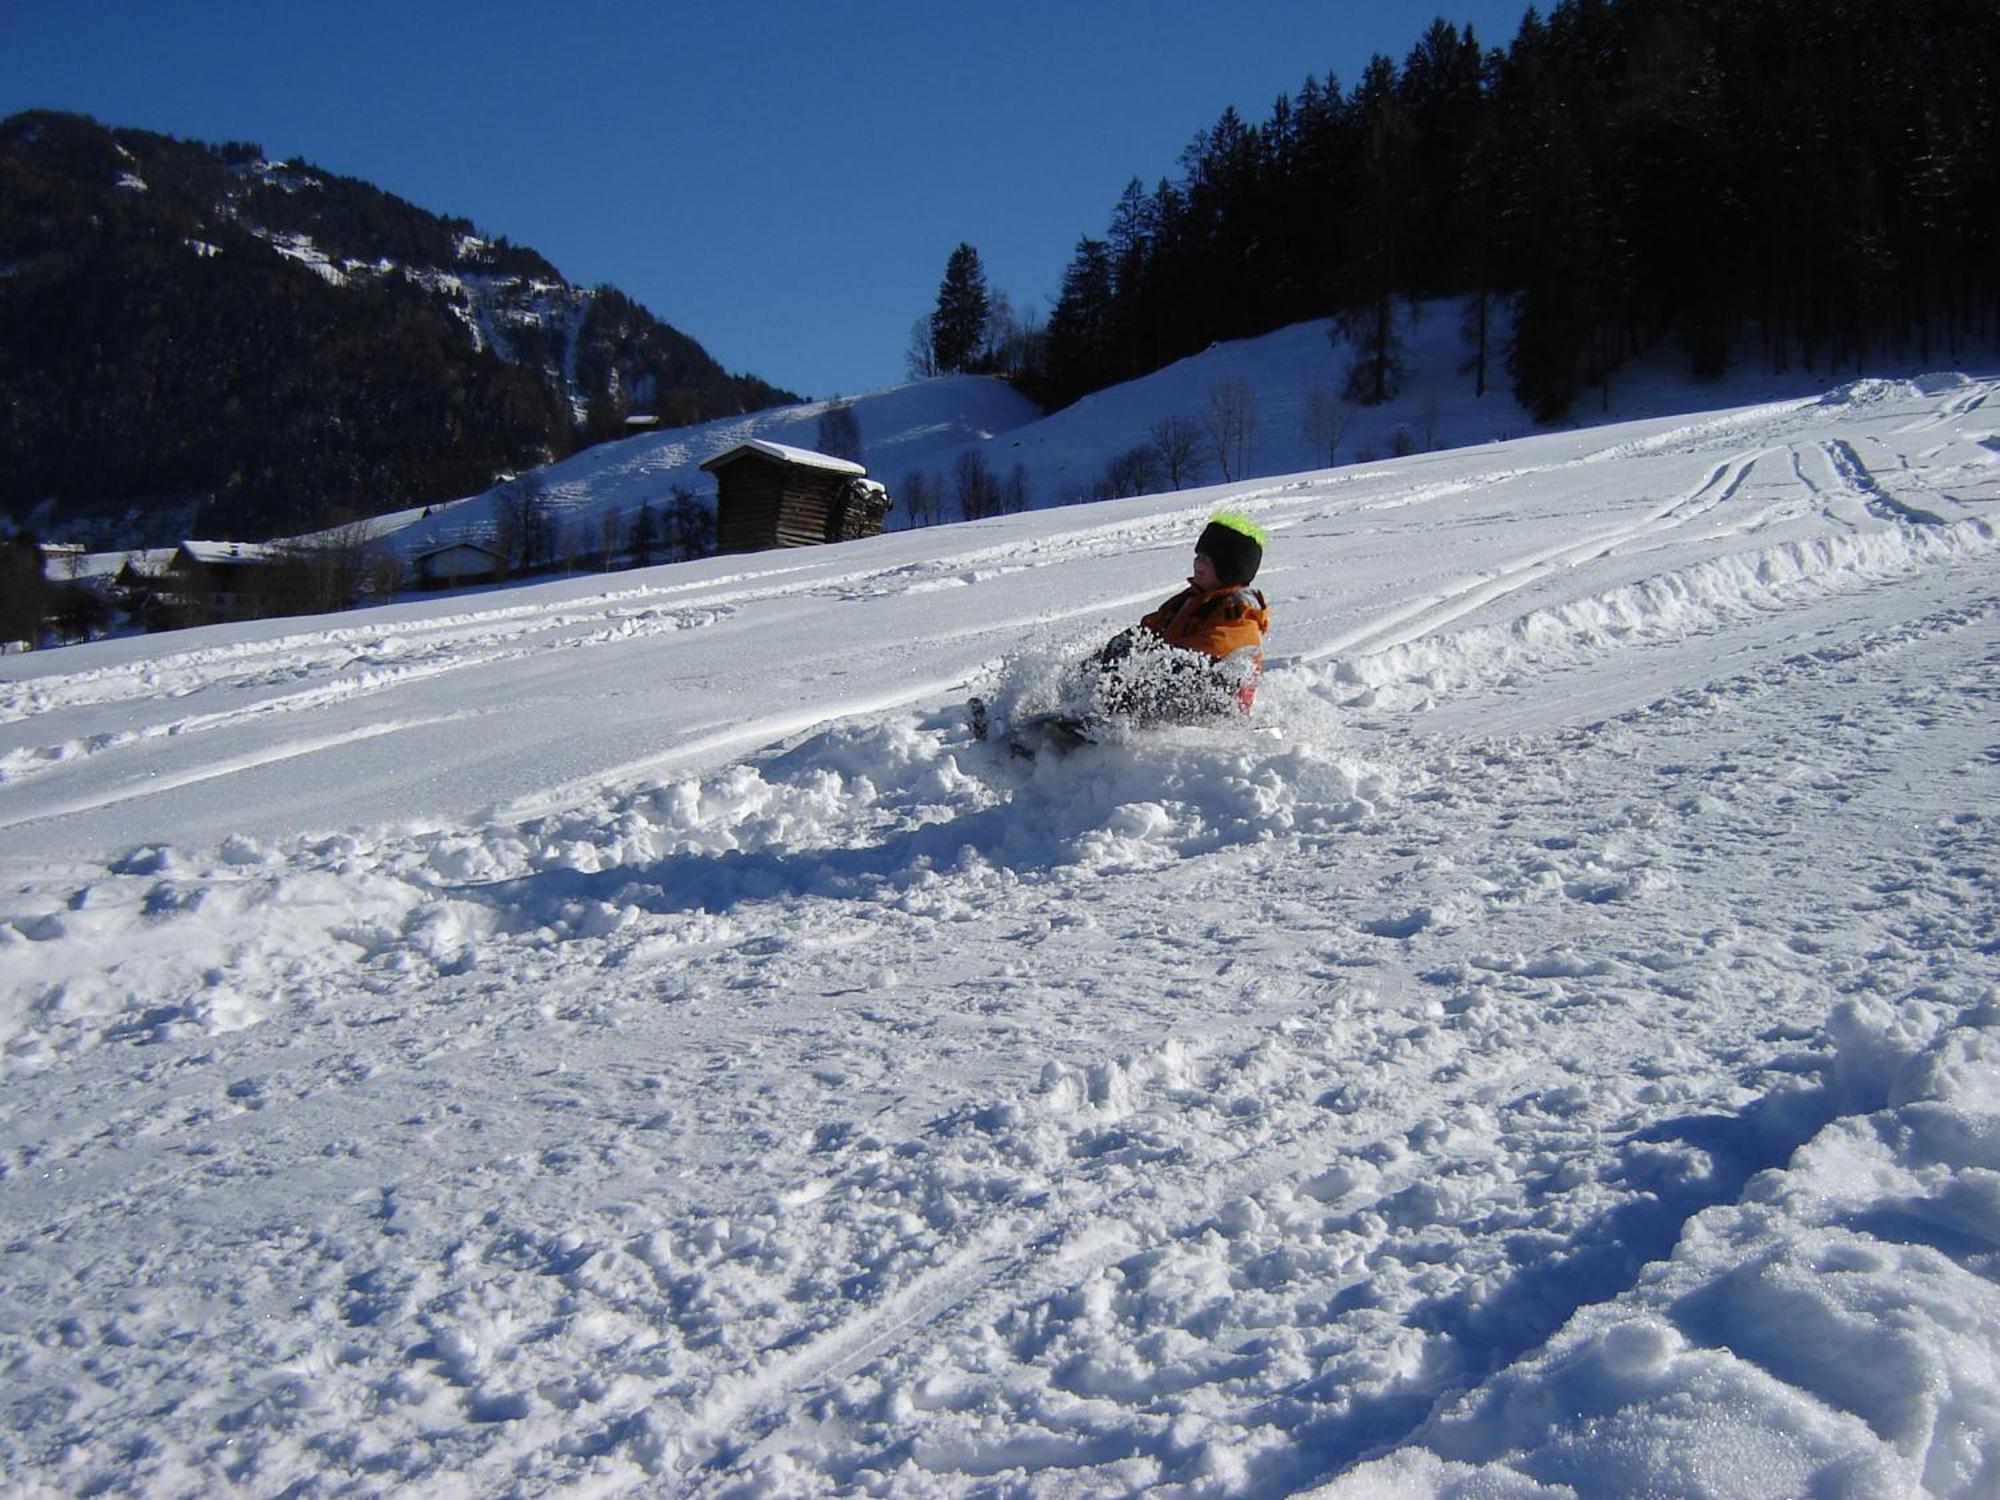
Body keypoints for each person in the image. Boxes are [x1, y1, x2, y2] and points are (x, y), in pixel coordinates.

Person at [1089, 510, 1271, 723]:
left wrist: (1153, 659)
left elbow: (1213, 651)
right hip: (1176, 685)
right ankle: (1086, 704)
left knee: (1158, 670)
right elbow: (1151, 628)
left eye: (1206, 559)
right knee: (1120, 650)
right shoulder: (1191, 599)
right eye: (1197, 556)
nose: (1197, 563)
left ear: (1228, 568)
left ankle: (1115, 719)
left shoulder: (1239, 610)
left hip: (1215, 703)